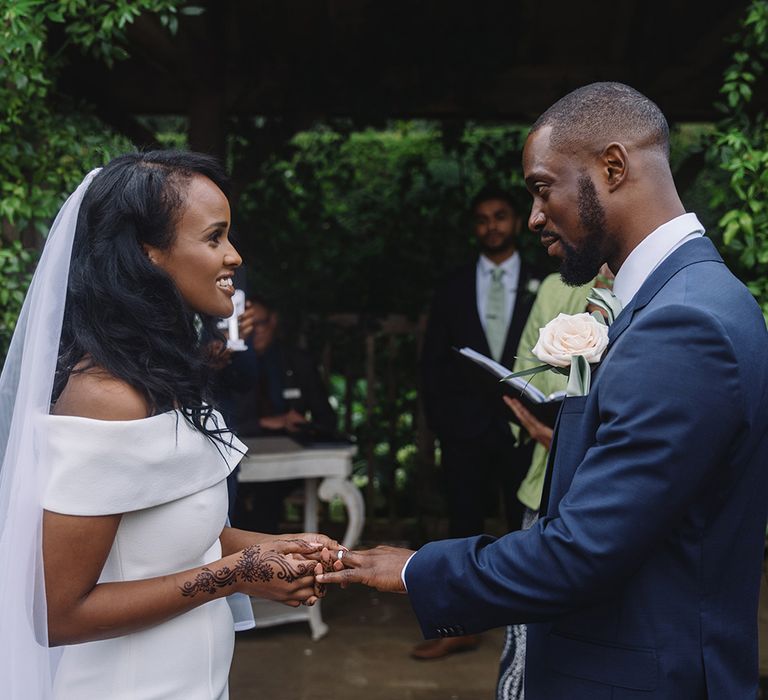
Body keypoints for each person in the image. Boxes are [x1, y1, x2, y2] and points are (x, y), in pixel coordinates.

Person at [318, 83, 768, 699]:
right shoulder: (687, 299)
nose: (533, 216)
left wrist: (418, 568)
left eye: (540, 186)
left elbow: (584, 549)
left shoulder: (683, 322)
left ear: (613, 167)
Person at [0, 151, 336, 699]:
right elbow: (56, 613)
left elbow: (168, 536)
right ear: (146, 254)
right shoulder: (106, 398)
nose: (234, 256)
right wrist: (235, 575)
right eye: (214, 238)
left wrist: (274, 547)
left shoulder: (159, 375)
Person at [416, 186, 538, 658]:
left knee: (523, 523)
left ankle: (527, 627)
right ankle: (461, 626)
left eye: (500, 216)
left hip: (522, 425)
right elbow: (433, 361)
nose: (492, 226)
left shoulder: (543, 280)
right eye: (483, 218)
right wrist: (442, 420)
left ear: (514, 221)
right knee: (462, 525)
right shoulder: (452, 284)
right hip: (463, 426)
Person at [216, 294, 338, 532]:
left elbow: (327, 419)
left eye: (260, 323)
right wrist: (265, 422)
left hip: (288, 460)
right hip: (242, 455)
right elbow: (225, 420)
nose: (256, 331)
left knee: (267, 496)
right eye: (247, 326)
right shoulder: (232, 366)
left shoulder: (296, 362)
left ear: (273, 321)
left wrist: (304, 425)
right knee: (235, 500)